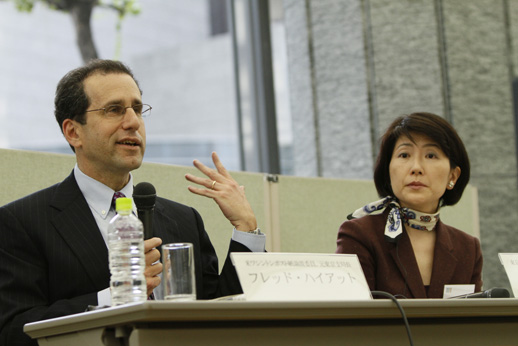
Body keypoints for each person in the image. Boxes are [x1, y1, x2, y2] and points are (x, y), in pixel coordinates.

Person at [0, 59, 265, 345]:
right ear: (73, 132)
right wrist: (115, 297)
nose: (133, 122)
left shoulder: (184, 219)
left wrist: (246, 229)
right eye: (114, 110)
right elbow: (13, 330)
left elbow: (224, 314)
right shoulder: (22, 222)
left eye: (137, 109)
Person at [336, 112, 482, 298]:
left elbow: (473, 322)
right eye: (404, 155)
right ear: (388, 169)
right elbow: (351, 319)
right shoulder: (360, 236)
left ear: (452, 176)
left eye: (431, 155)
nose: (416, 168)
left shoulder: (467, 248)